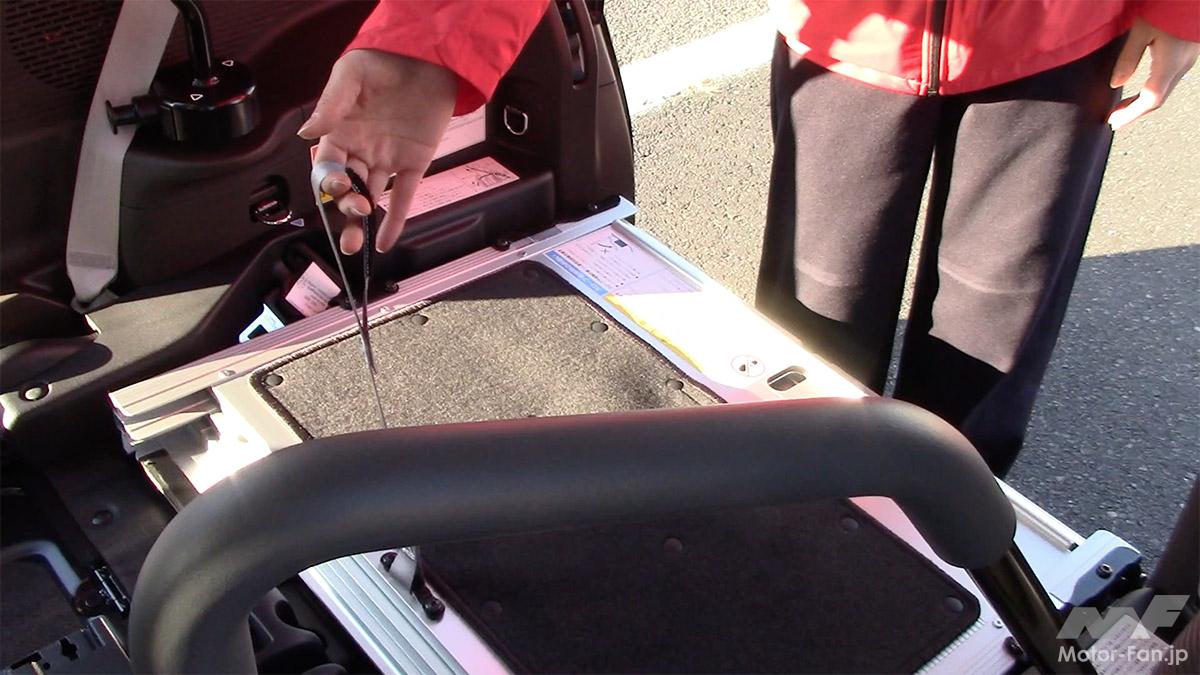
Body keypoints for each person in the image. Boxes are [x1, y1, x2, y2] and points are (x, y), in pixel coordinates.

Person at [298, 0, 1198, 476]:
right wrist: (431, 39)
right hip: (849, 37)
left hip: (1070, 35)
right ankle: (802, 499)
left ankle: (960, 530)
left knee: (995, 317)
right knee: (818, 305)